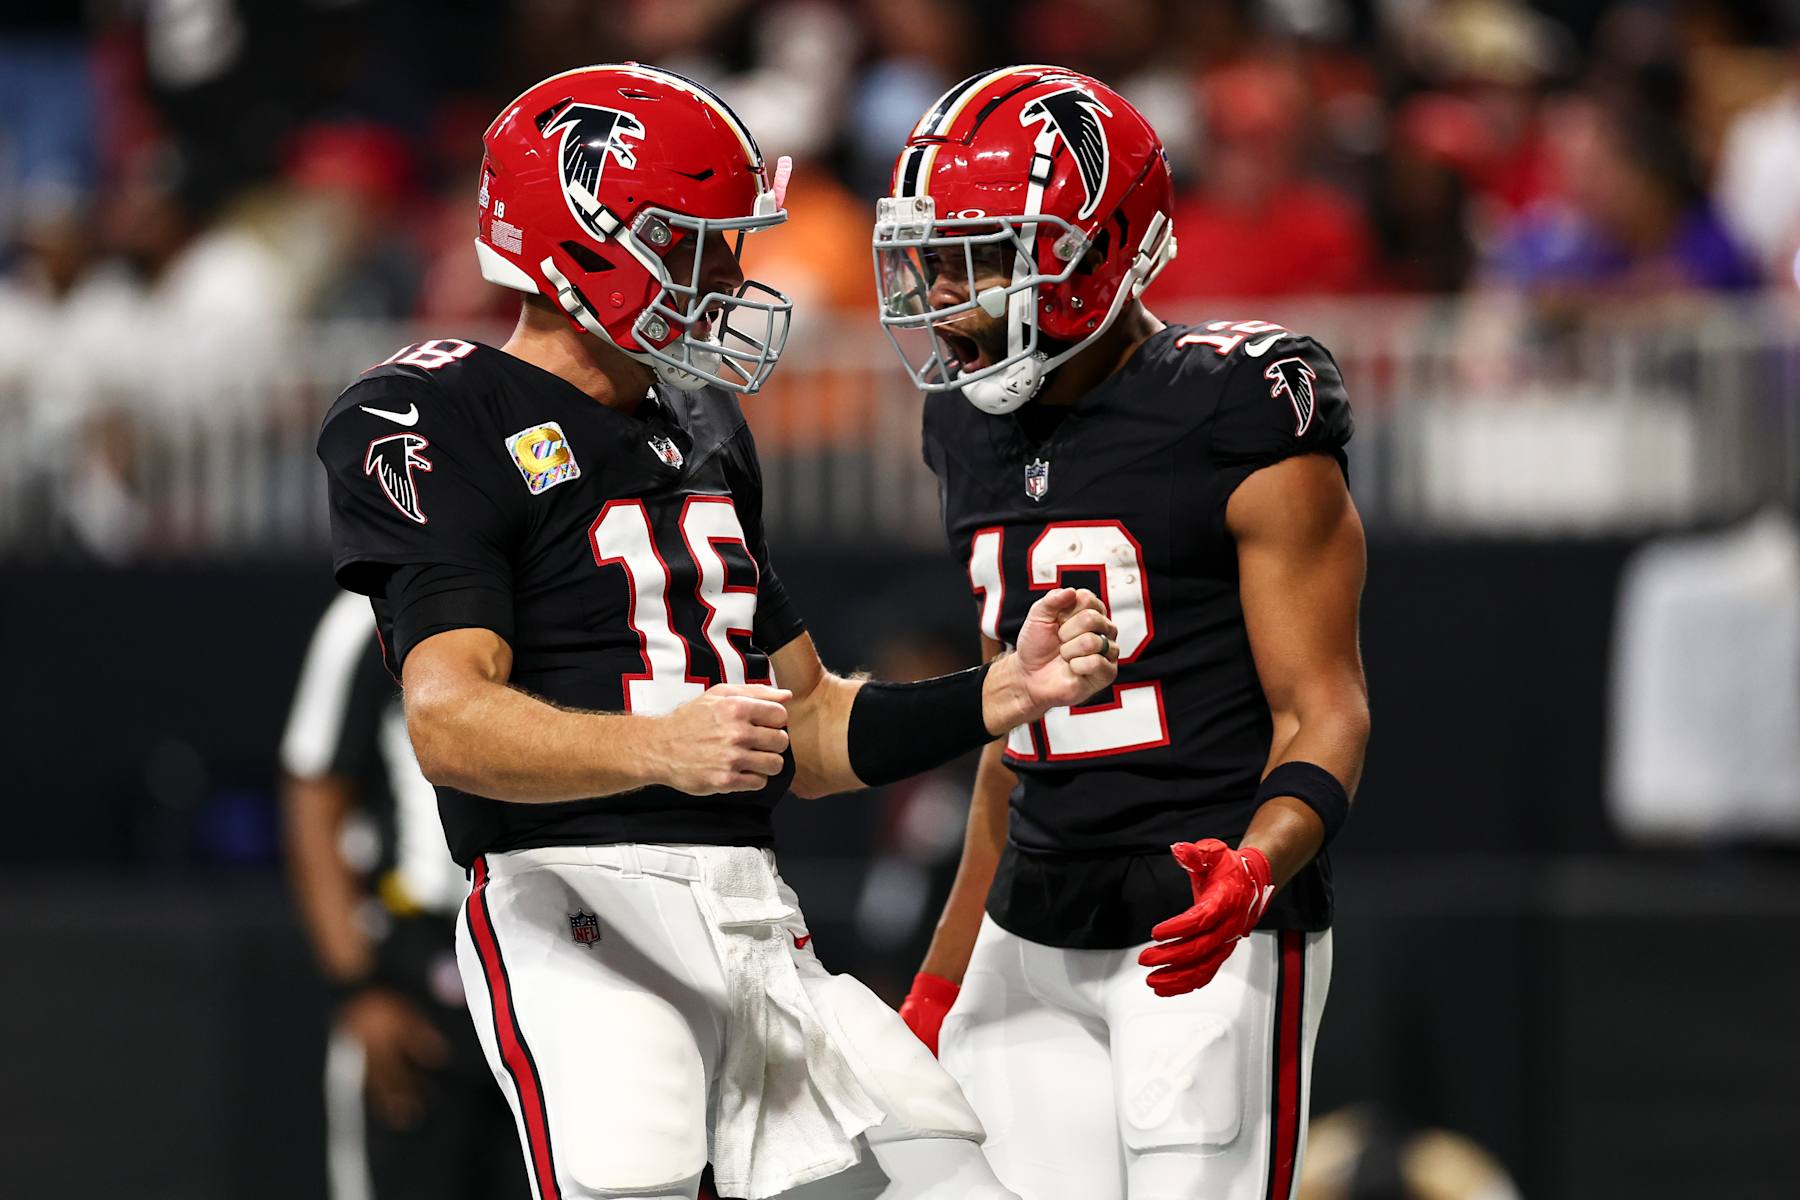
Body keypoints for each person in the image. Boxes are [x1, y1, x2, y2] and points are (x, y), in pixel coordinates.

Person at [315, 63, 1120, 1200]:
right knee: (634, 1179)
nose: (729, 275)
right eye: (696, 242)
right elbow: (447, 722)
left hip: (752, 913)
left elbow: (815, 730)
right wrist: (656, 746)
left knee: (948, 1179)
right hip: (575, 903)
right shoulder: (438, 408)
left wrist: (997, 695)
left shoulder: (699, 422)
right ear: (587, 236)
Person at [873, 66, 1371, 1200]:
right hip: (1033, 919)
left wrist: (1255, 873)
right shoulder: (960, 419)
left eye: (986, 256)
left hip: (1203, 922)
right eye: (935, 258)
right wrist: (944, 978)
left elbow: (1325, 705)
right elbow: (1018, 731)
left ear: (1099, 246)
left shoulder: (1235, 402)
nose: (948, 296)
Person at [281, 590, 529, 1200]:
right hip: (414, 960)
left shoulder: (557, 589)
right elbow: (313, 804)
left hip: (539, 951)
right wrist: (358, 989)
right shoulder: (366, 616)